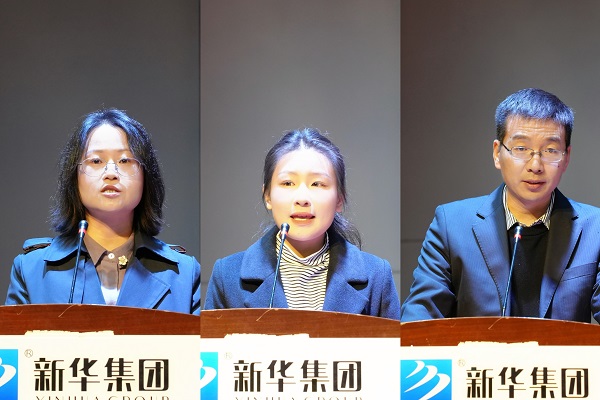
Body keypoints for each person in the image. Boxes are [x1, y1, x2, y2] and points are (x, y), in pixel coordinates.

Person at [401, 88, 600, 323]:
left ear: (566, 157)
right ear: (497, 153)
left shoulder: (594, 229)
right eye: (521, 149)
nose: (535, 165)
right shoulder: (451, 225)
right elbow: (419, 319)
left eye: (550, 150)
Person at [5, 109, 201, 315]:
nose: (111, 173)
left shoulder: (183, 273)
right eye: (96, 161)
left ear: (146, 177)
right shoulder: (32, 269)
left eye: (125, 161)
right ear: (74, 177)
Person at [203, 127, 400, 319]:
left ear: (339, 199)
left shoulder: (377, 275)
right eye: (288, 183)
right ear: (268, 196)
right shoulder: (227, 276)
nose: (302, 199)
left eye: (317, 184)